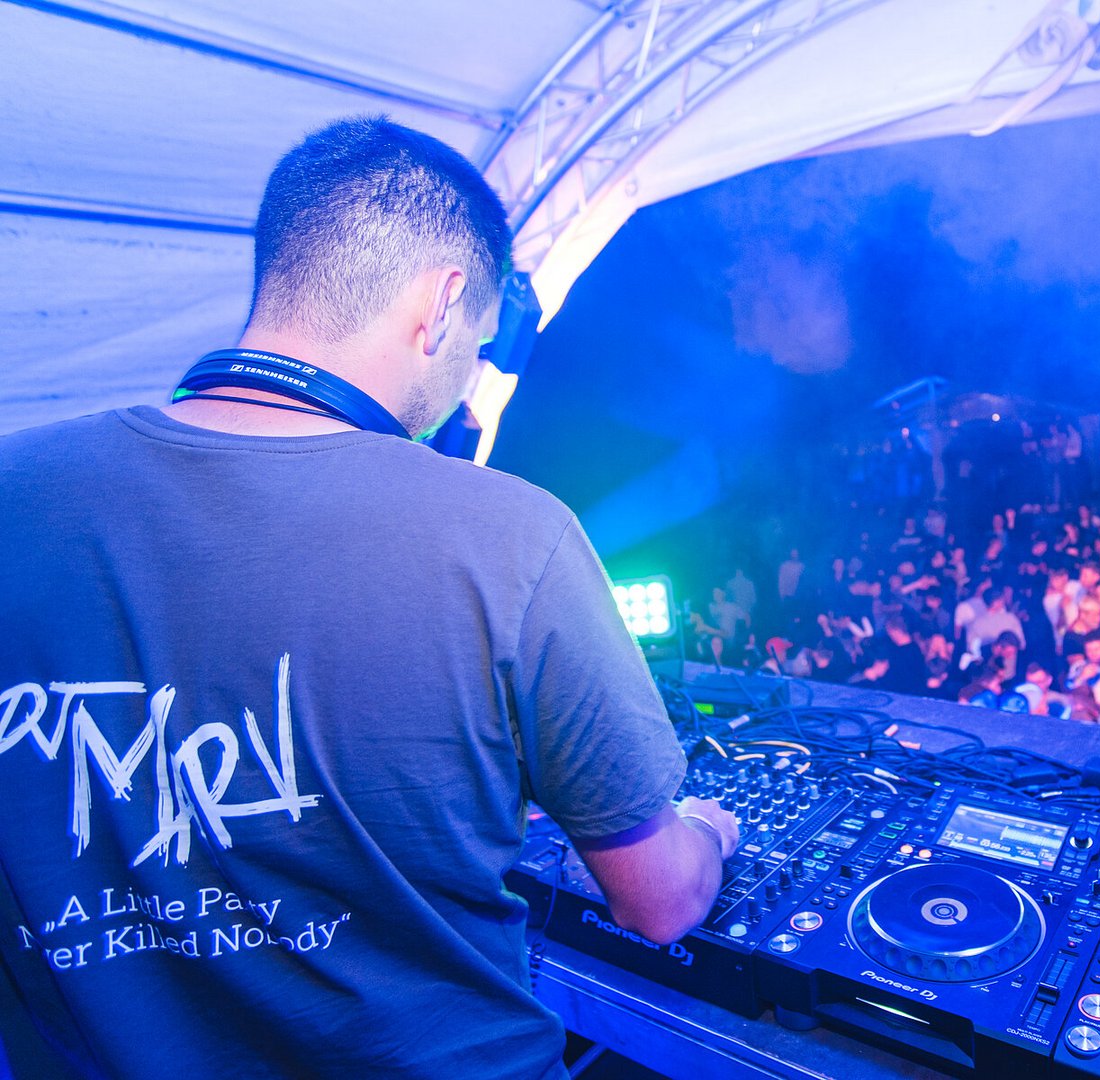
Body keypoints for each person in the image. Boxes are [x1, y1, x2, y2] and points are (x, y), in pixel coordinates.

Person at [0, 117, 738, 1079]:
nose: (470, 378)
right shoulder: (512, 535)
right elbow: (660, 901)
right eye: (478, 343)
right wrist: (708, 831)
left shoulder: (16, 492)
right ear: (443, 302)